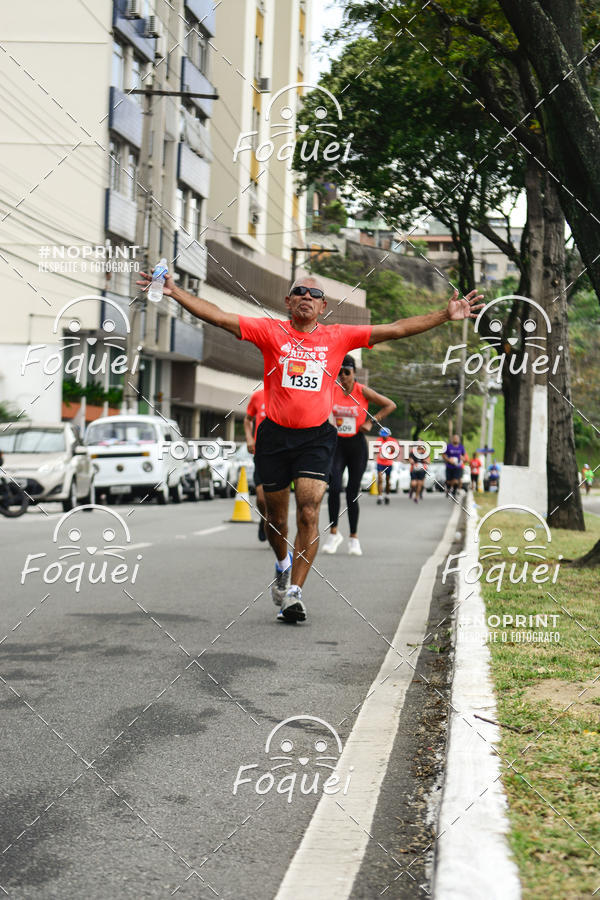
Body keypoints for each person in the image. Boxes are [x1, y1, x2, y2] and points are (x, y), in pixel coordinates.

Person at [137, 268, 483, 624]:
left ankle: (295, 594)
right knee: (275, 520)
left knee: (308, 511)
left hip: (316, 437)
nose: (306, 296)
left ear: (323, 306)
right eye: (298, 291)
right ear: (288, 302)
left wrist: (445, 315)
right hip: (273, 435)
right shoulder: (270, 331)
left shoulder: (338, 337)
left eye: (313, 294)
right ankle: (283, 565)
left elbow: (394, 329)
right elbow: (221, 317)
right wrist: (175, 293)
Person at [323, 355, 396, 556]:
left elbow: (390, 405)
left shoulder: (361, 391)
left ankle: (353, 537)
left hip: (356, 446)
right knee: (334, 487)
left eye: (347, 372)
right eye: (340, 372)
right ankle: (333, 533)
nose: (343, 376)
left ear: (354, 373)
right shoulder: (332, 390)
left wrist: (371, 422)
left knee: (351, 493)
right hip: (338, 444)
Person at [244, 387, 267, 541]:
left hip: (282, 453)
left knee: (277, 496)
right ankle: (264, 519)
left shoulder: (288, 395)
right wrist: (249, 438)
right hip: (262, 452)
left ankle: (276, 526)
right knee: (261, 498)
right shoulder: (258, 396)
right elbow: (247, 419)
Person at [376, 428, 400, 505]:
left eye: (385, 436)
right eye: (383, 436)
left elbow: (396, 452)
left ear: (389, 434)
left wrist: (391, 448)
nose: (384, 437)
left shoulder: (393, 441)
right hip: (380, 462)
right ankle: (380, 496)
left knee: (387, 480)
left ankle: (387, 495)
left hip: (388, 463)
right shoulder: (378, 440)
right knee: (380, 479)